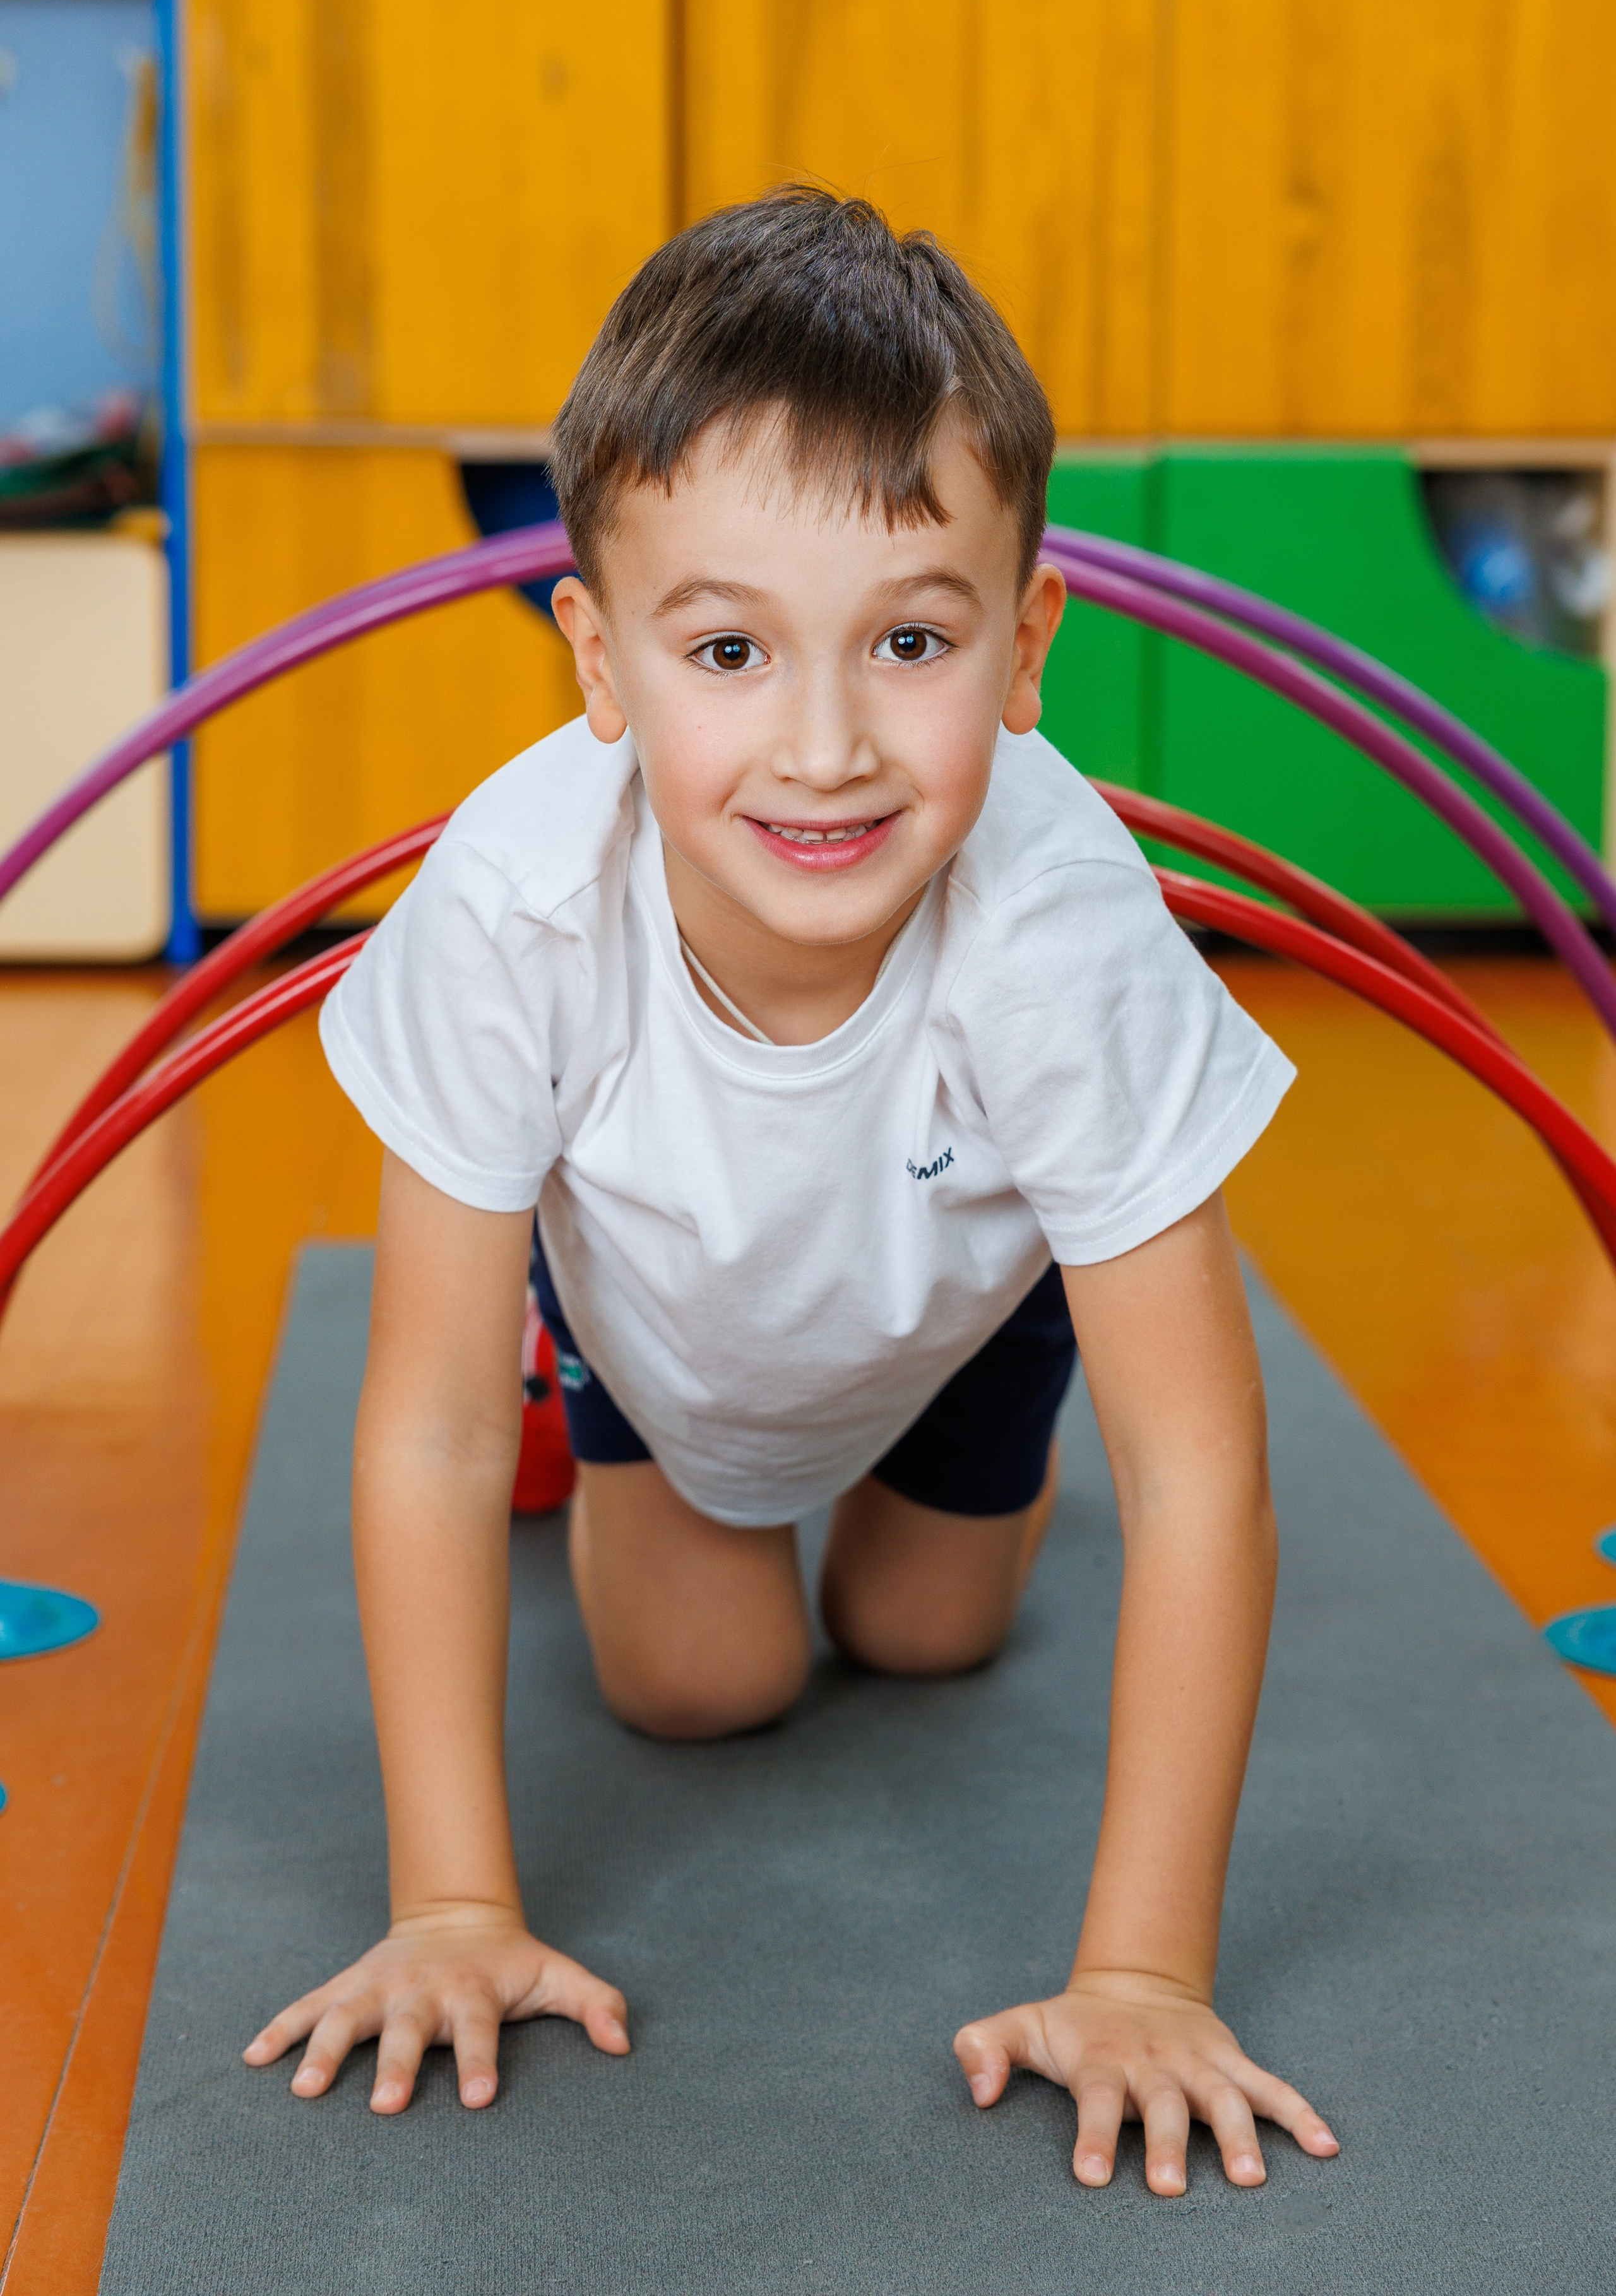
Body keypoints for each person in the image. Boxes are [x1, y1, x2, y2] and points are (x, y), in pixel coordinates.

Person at [243, 188, 1339, 2199]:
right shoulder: (510, 901)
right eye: (730, 647)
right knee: (700, 1687)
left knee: (928, 1637)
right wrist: (451, 1903)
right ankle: (614, 1405)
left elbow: (1201, 1469)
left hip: (965, 1297)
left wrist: (1145, 1973)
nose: (825, 747)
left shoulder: (1065, 928)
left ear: (1024, 649)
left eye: (909, 640)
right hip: (666, 1320)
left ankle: (949, 1423)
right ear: (599, 659)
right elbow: (422, 1419)